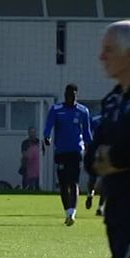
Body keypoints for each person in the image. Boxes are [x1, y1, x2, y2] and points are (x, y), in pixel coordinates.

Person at [70, 19, 130, 258]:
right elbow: (93, 154)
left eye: (108, 49)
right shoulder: (113, 100)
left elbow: (124, 151)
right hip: (119, 216)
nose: (100, 56)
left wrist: (117, 157)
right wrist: (111, 157)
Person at [43, 83, 92, 226]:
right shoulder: (56, 109)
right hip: (61, 151)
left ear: (77, 95)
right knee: (63, 184)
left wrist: (91, 148)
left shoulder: (83, 111)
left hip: (76, 151)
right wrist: (47, 136)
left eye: (73, 95)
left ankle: (72, 213)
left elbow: (87, 133)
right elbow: (48, 126)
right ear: (65, 95)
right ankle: (67, 212)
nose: (70, 97)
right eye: (68, 94)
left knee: (74, 182)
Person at [85, 114, 105, 216]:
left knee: (96, 178)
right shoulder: (114, 119)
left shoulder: (94, 119)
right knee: (102, 178)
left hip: (96, 152)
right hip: (103, 152)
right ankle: (99, 205)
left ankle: (92, 196)